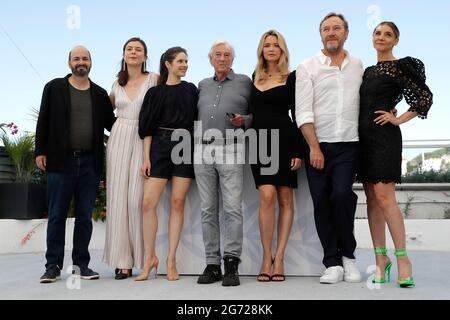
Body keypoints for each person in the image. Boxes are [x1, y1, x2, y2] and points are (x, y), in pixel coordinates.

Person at [358, 22, 432, 288]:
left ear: (396, 40)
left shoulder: (402, 66)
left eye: (387, 34)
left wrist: (398, 119)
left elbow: (424, 97)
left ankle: (403, 260)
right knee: (371, 200)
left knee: (385, 198)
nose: (381, 37)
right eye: (377, 33)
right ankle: (381, 260)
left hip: (384, 138)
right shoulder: (367, 71)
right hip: (362, 140)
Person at [35, 46, 116, 283]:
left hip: (90, 164)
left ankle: (81, 265)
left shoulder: (100, 94)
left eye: (85, 58)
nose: (81, 62)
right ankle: (52, 266)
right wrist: (40, 150)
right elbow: (43, 120)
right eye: (76, 58)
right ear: (69, 62)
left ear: (91, 62)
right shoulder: (54, 88)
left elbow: (113, 125)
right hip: (60, 162)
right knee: (57, 215)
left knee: (83, 217)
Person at [295, 13, 363, 284]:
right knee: (322, 202)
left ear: (346, 33)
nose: (331, 32)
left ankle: (349, 256)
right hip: (317, 144)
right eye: (326, 29)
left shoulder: (357, 65)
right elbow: (303, 111)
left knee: (342, 195)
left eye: (336, 28)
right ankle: (332, 262)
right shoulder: (307, 66)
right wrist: (314, 147)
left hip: (349, 143)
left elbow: (367, 99)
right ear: (320, 34)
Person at [135, 47, 198, 281]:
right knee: (148, 204)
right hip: (160, 146)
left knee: (178, 203)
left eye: (186, 61)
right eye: (180, 61)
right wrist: (146, 157)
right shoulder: (155, 92)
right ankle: (149, 258)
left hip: (185, 145)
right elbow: (147, 127)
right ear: (168, 64)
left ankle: (171, 260)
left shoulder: (191, 90)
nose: (184, 65)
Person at [195, 41, 252, 287]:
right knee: (208, 209)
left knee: (232, 209)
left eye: (227, 55)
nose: (222, 58)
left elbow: (257, 113)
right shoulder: (202, 85)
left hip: (231, 147)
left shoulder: (245, 83)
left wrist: (245, 120)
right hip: (203, 149)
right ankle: (211, 264)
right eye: (217, 54)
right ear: (210, 59)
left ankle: (231, 263)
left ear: (232, 59)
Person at [103, 37, 158, 280]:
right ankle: (122, 262)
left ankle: (144, 259)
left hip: (144, 139)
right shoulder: (117, 83)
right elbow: (105, 113)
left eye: (138, 49)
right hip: (118, 139)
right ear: (123, 54)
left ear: (145, 56)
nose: (133, 52)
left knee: (137, 200)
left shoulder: (154, 79)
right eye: (129, 49)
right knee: (118, 200)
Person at [250, 30, 302, 282]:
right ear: (262, 50)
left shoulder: (292, 77)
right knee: (267, 196)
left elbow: (298, 114)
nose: (271, 49)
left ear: (282, 50)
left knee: (285, 198)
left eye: (276, 45)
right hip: (259, 142)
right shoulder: (254, 77)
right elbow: (251, 112)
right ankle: (265, 256)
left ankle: (279, 258)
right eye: (267, 45)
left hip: (285, 140)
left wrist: (297, 149)